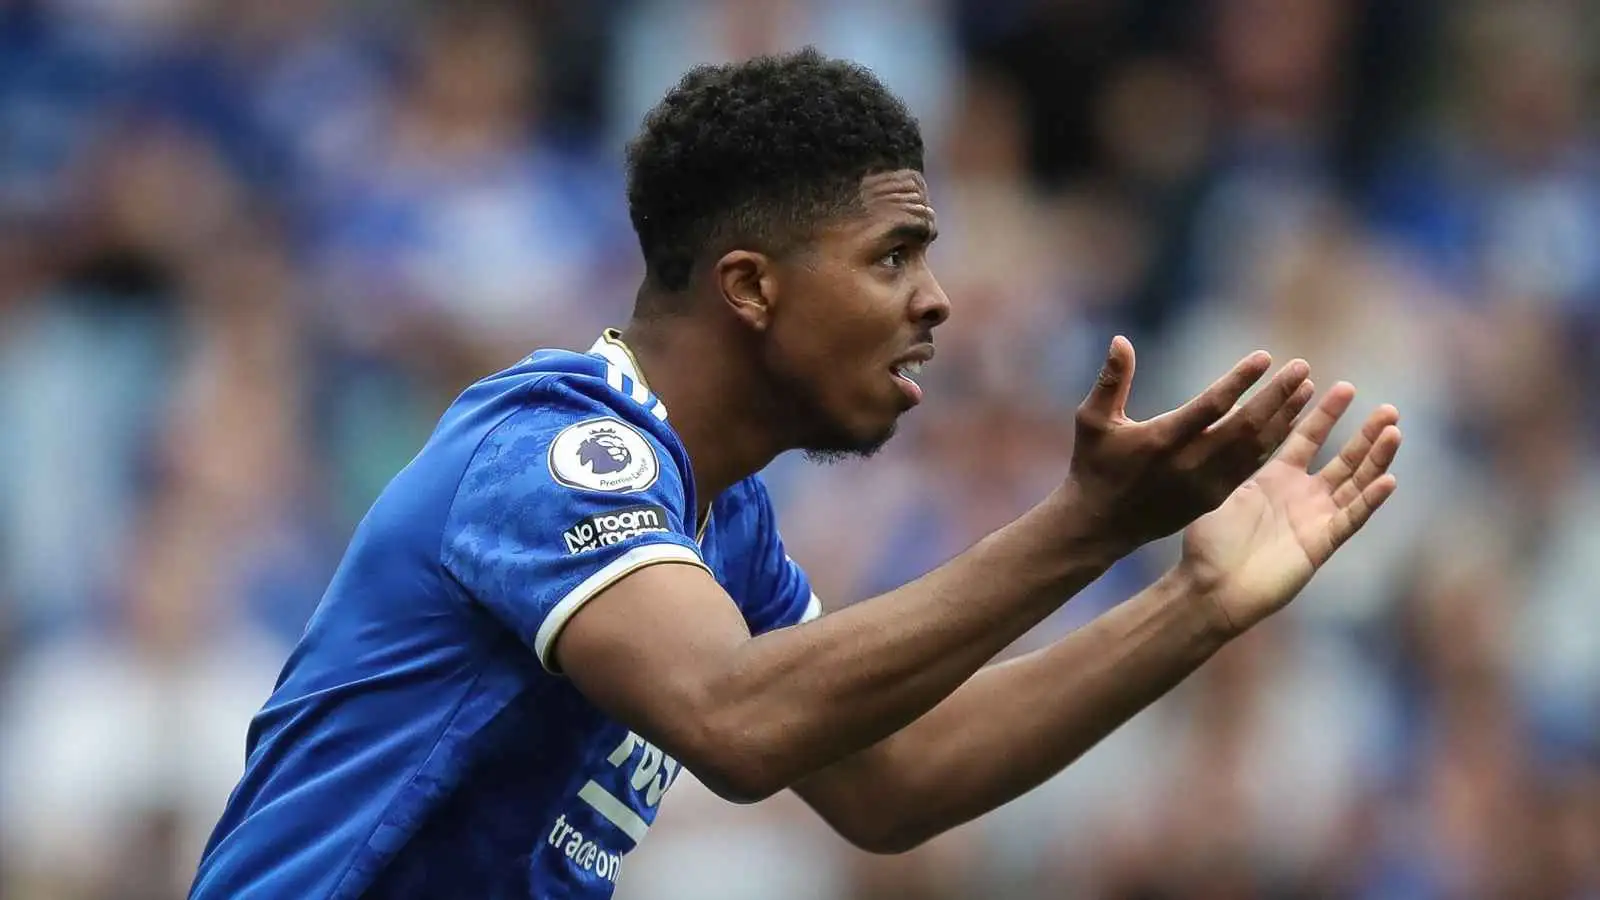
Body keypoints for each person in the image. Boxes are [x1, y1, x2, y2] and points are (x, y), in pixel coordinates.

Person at [189, 48, 1402, 899]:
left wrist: (1190, 607)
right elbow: (738, 721)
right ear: (751, 286)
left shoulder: (725, 528)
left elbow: (892, 785)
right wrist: (1082, 528)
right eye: (891, 256)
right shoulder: (552, 451)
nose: (935, 300)